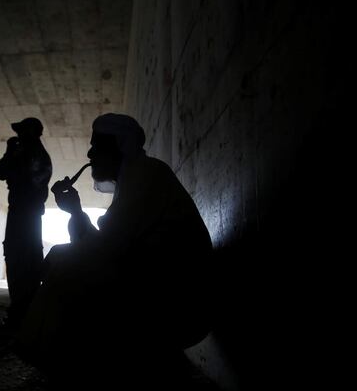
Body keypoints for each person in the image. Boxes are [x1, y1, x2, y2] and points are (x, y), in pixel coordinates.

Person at [16, 113, 213, 375]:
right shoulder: (134, 179)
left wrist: (63, 250)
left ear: (119, 146)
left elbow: (107, 251)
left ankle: (60, 360)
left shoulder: (147, 173)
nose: (89, 154)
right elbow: (109, 248)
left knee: (62, 260)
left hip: (182, 306)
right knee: (64, 258)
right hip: (165, 294)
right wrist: (75, 212)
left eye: (96, 145)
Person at [0, 117, 52, 328]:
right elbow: (3, 172)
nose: (18, 136)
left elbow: (2, 172)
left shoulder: (32, 154)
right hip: (24, 212)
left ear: (31, 133)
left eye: (21, 132)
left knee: (21, 258)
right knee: (22, 257)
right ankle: (22, 310)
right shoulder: (32, 153)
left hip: (24, 212)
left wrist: (10, 152)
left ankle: (22, 312)